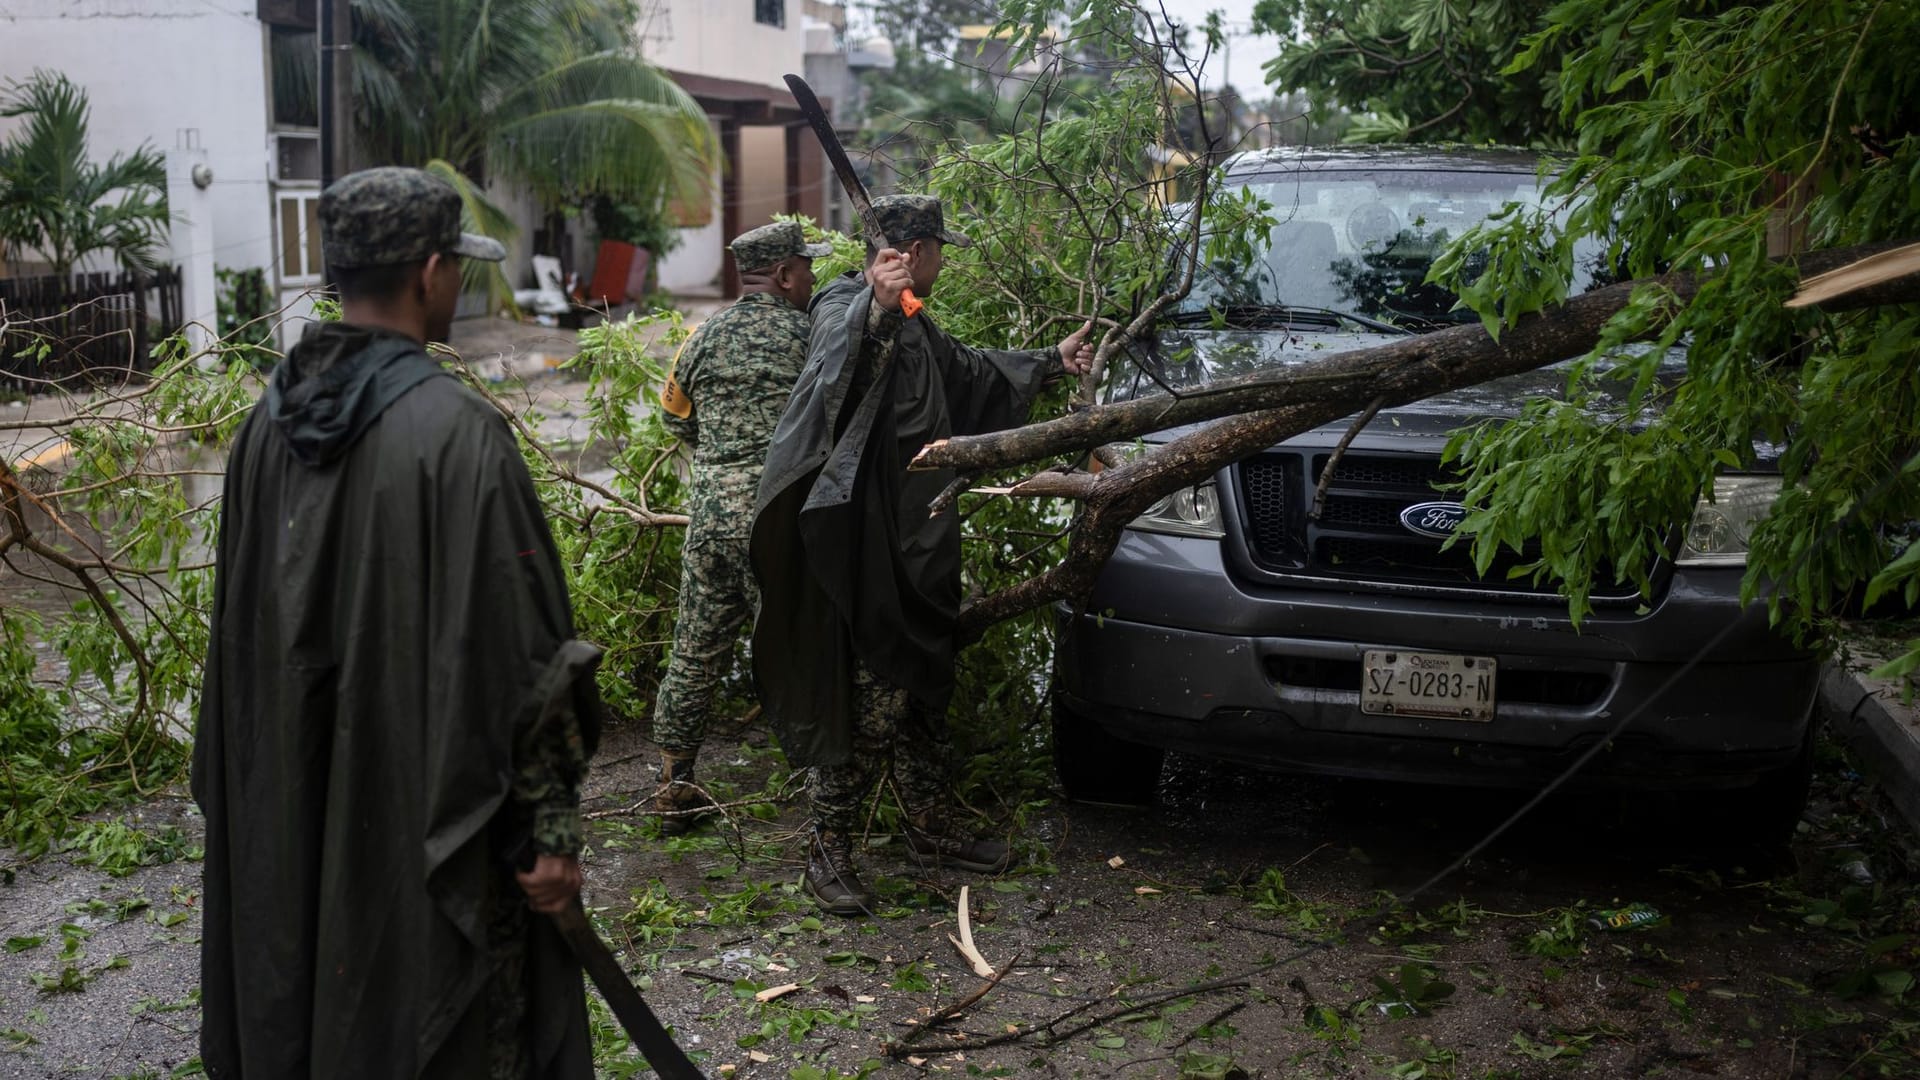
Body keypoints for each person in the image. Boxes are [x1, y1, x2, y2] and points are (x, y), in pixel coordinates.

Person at [193, 166, 601, 1078]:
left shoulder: (263, 427)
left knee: (325, 995)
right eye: (457, 265)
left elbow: (244, 647)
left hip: (307, 805)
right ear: (428, 272)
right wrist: (549, 833)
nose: (458, 282)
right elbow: (528, 660)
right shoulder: (460, 435)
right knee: (451, 1027)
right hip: (434, 822)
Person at [750, 194, 1095, 916]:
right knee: (872, 699)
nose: (943, 261)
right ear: (915, 250)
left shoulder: (913, 315)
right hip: (868, 542)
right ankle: (827, 849)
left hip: (921, 540)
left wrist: (1050, 363)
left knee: (922, 688)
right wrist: (872, 310)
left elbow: (968, 372)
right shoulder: (847, 301)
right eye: (939, 249)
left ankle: (930, 828)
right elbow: (836, 360)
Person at [650, 220, 829, 832]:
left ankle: (675, 784)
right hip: (773, 518)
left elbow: (674, 418)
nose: (813, 277)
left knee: (695, 650)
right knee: (798, 647)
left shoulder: (700, 336)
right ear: (783, 275)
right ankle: (824, 793)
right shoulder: (810, 335)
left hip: (709, 517)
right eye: (807, 267)